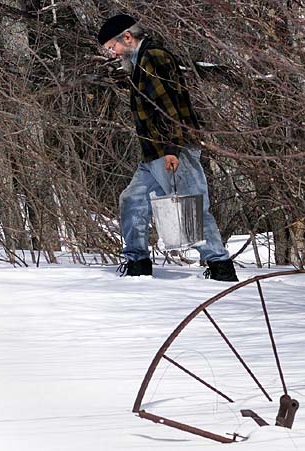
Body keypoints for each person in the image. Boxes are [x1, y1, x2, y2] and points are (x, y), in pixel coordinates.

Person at [97, 14, 238, 281]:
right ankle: (137, 263)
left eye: (111, 47)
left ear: (127, 37)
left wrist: (172, 148)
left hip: (172, 149)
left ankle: (220, 268)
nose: (112, 54)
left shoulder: (154, 58)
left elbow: (169, 106)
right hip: (154, 151)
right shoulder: (139, 62)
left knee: (192, 206)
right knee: (132, 199)